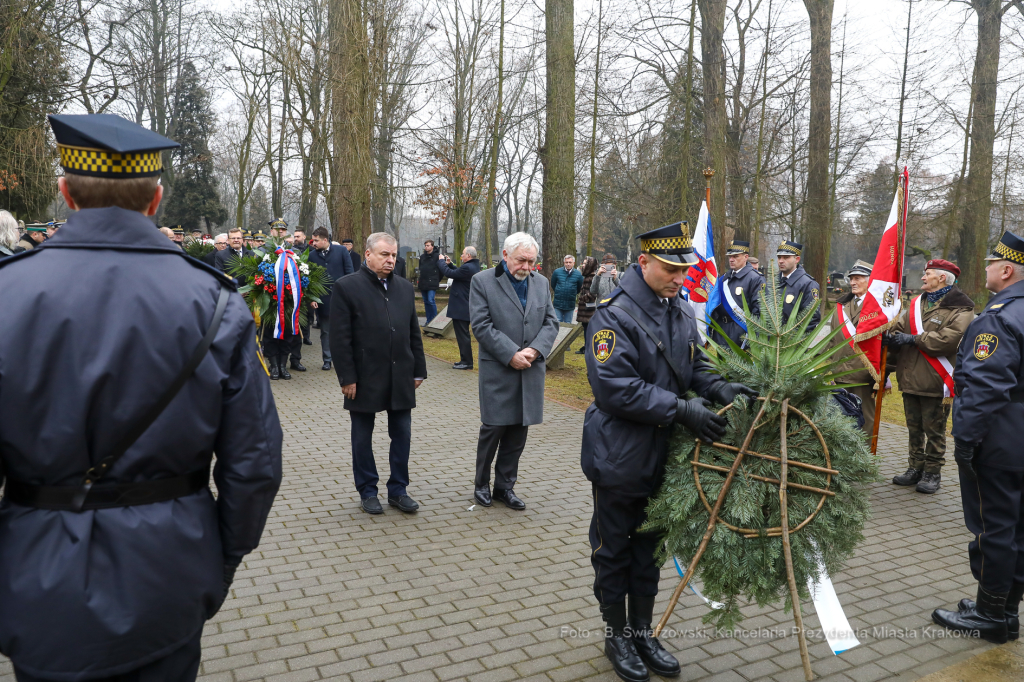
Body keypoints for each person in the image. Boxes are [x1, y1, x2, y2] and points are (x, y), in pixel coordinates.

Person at [0, 112, 282, 682]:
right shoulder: (216, 303)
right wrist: (219, 557)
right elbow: (253, 465)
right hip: (170, 574)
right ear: (155, 200)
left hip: (36, 573)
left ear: (65, 194)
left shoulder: (7, 294)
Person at [581, 222, 756, 682]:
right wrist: (682, 411)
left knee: (650, 548)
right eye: (670, 270)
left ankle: (643, 632)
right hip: (619, 453)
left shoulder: (677, 309)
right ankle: (616, 636)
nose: (681, 279)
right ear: (643, 262)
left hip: (663, 452)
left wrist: (719, 388)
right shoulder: (612, 315)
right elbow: (615, 389)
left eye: (685, 270)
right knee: (614, 548)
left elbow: (693, 363)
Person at [932, 231, 1024, 644]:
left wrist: (965, 440)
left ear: (1006, 270)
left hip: (1000, 440)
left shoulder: (1000, 317)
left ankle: (990, 615)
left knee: (993, 529)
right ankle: (1004, 609)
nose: (985, 268)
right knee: (1017, 528)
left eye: (991, 263)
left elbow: (985, 386)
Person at [330, 232, 427, 515]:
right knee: (362, 437)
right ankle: (367, 490)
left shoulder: (405, 288)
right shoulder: (346, 287)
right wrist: (347, 377)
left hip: (401, 375)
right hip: (364, 376)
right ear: (368, 254)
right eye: (385, 254)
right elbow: (340, 339)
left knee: (403, 435)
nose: (391, 260)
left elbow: (413, 333)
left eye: (394, 255)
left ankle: (398, 489)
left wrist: (418, 369)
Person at [469, 232, 559, 511]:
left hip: (530, 369)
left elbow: (551, 321)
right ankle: (481, 484)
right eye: (522, 260)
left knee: (519, 433)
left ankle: (505, 487)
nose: (527, 267)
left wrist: (535, 350)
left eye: (532, 262)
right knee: (493, 429)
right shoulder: (482, 281)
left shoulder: (541, 283)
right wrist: (511, 354)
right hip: (499, 369)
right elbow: (481, 325)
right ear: (505, 255)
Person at [886, 259, 974, 494]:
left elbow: (950, 339)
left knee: (934, 431)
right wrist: (892, 337)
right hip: (910, 378)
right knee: (913, 428)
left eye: (928, 274)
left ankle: (932, 473)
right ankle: (914, 468)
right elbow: (900, 326)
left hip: (936, 380)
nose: (923, 278)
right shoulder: (917, 303)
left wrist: (913, 339)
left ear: (942, 278)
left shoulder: (961, 309)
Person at [826, 260, 878, 436]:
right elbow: (833, 339)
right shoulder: (841, 306)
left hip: (864, 374)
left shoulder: (878, 308)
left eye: (858, 278)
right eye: (851, 278)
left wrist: (881, 374)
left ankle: (864, 458)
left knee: (865, 419)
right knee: (841, 417)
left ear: (870, 281)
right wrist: (831, 367)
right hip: (840, 372)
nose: (853, 282)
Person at [307, 226, 353, 370]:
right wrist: (312, 297)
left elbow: (350, 273)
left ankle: (343, 360)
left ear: (325, 240)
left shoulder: (341, 251)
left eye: (316, 240)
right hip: (323, 301)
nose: (313, 243)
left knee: (343, 332)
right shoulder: (312, 255)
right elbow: (310, 279)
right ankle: (327, 359)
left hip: (341, 299)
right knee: (325, 331)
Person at [710, 240, 763, 349]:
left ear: (746, 257)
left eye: (736, 256)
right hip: (721, 332)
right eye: (730, 256)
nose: (731, 259)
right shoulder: (723, 279)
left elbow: (759, 311)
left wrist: (753, 339)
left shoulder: (755, 279)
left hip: (742, 333)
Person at [438, 246, 482, 370]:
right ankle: (464, 360)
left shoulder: (468, 267)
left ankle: (467, 362)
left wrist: (441, 261)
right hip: (464, 305)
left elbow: (449, 274)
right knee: (463, 335)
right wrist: (450, 264)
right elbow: (458, 273)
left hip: (462, 306)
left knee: (463, 335)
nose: (461, 256)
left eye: (463, 254)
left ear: (468, 255)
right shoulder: (471, 266)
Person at [776, 240, 821, 330]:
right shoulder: (772, 282)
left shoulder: (808, 284)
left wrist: (789, 339)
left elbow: (810, 319)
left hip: (791, 341)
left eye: (786, 257)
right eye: (779, 257)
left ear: (797, 259)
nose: (781, 261)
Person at [575, 256, 599, 353]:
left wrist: (582, 298)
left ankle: (588, 348)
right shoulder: (587, 277)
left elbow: (592, 294)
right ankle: (587, 346)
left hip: (589, 309)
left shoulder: (592, 278)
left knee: (588, 329)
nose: (583, 265)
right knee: (586, 328)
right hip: (585, 309)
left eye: (585, 263)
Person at [551, 254, 583, 323]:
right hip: (558, 303)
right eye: (566, 262)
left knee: (568, 323)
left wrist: (572, 293)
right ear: (564, 263)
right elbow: (553, 284)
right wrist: (559, 291)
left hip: (570, 304)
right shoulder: (557, 272)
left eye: (570, 262)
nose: (568, 264)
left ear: (573, 263)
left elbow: (579, 287)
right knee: (557, 323)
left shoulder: (578, 274)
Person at [419, 239, 441, 322]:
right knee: (426, 302)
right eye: (425, 246)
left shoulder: (437, 256)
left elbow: (441, 269)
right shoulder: (422, 257)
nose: (426, 247)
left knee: (431, 300)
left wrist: (437, 279)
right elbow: (421, 268)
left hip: (432, 281)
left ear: (432, 246)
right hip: (423, 282)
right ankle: (428, 320)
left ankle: (434, 320)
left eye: (428, 245)